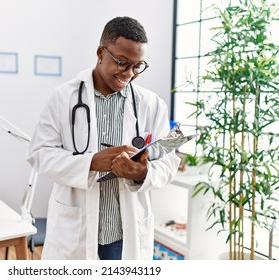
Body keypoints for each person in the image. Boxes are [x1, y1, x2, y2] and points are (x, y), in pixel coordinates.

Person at [27, 16, 180, 260]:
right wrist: (91, 163)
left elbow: (169, 160)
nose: (129, 73)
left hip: (124, 233)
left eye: (137, 66)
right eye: (122, 62)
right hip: (75, 231)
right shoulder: (63, 97)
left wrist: (141, 173)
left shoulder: (151, 105)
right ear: (100, 52)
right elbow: (39, 154)